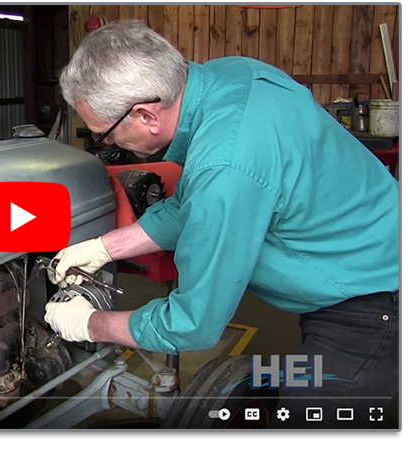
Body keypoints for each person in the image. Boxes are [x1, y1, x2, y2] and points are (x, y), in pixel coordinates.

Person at [43, 20, 399, 428]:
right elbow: (192, 205)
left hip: (374, 295)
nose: (107, 144)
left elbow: (193, 323)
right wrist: (104, 247)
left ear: (145, 115)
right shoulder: (231, 75)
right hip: (356, 251)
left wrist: (90, 324)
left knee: (308, 420)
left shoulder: (225, 165)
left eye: (104, 135)